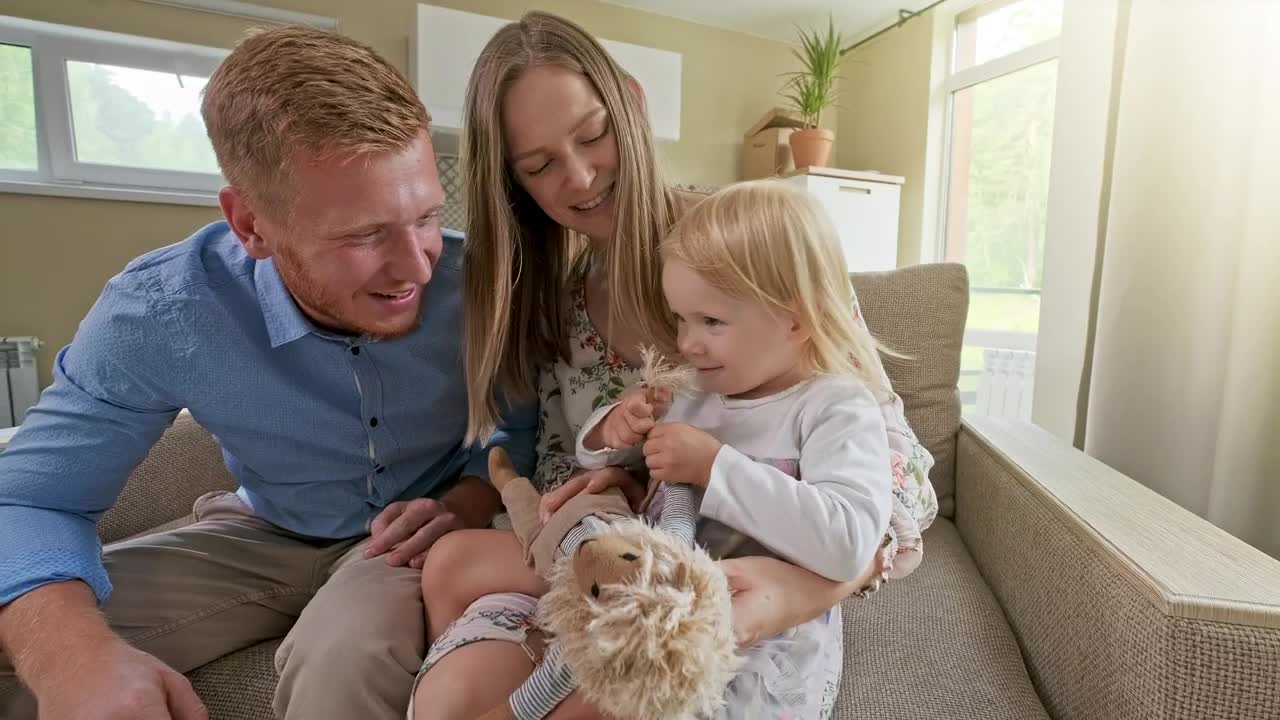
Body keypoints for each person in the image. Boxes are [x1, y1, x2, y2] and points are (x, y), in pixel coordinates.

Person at [410, 11, 938, 719]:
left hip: (716, 590)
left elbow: (898, 475)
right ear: (515, 184)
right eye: (538, 166)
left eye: (593, 134)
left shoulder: (758, 251)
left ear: (633, 101)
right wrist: (610, 474)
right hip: (609, 567)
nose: (581, 175)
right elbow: (568, 469)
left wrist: (804, 589)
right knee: (454, 656)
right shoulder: (553, 305)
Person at [0, 26, 534, 720]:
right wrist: (71, 660)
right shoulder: (163, 310)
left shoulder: (484, 283)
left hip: (403, 546)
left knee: (346, 668)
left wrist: (464, 501)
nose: (416, 266)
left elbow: (519, 424)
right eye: (365, 235)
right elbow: (32, 499)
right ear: (250, 223)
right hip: (261, 530)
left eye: (427, 216)